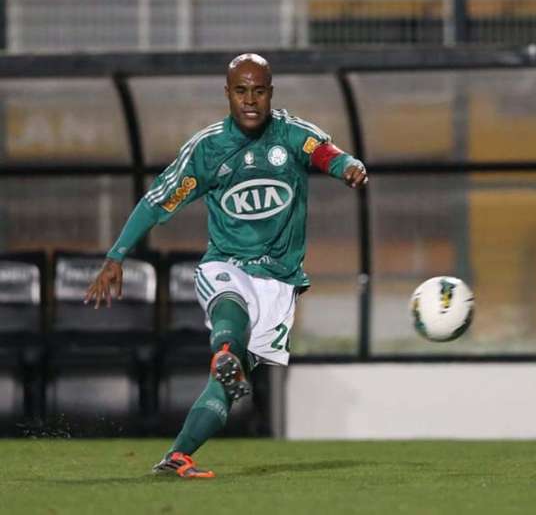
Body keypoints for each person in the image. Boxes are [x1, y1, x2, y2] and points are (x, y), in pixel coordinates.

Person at [83, 53, 368, 478]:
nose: (250, 100)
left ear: (271, 93)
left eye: (258, 91)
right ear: (227, 94)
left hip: (280, 281)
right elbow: (156, 202)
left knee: (228, 389)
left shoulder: (290, 134)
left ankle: (177, 455)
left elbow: (325, 152)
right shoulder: (207, 149)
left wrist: (349, 166)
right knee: (229, 305)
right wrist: (115, 256)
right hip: (227, 264)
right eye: (241, 91)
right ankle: (226, 351)